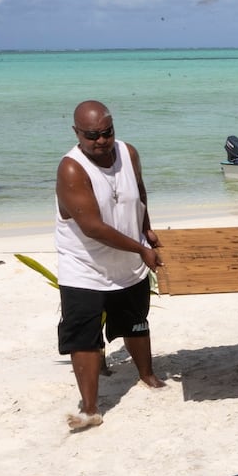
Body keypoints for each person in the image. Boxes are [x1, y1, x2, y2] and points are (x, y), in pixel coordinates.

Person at [55, 100, 166, 430]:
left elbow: (139, 194)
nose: (101, 141)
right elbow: (93, 227)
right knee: (84, 336)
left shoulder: (128, 153)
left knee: (135, 320)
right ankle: (90, 409)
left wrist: (146, 228)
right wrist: (140, 248)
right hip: (85, 266)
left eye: (107, 132)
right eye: (92, 135)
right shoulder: (72, 169)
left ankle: (147, 375)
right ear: (77, 133)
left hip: (128, 260)